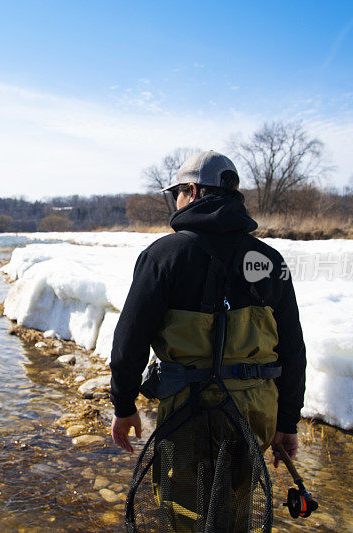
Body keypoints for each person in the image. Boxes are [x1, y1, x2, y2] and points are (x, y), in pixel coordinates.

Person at [109, 150, 307, 527]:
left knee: (185, 511)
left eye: (177, 193)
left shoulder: (163, 256)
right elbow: (292, 351)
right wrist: (287, 424)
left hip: (187, 412)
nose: (176, 201)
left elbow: (128, 343)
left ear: (193, 191)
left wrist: (123, 406)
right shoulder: (268, 260)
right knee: (235, 509)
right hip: (254, 413)